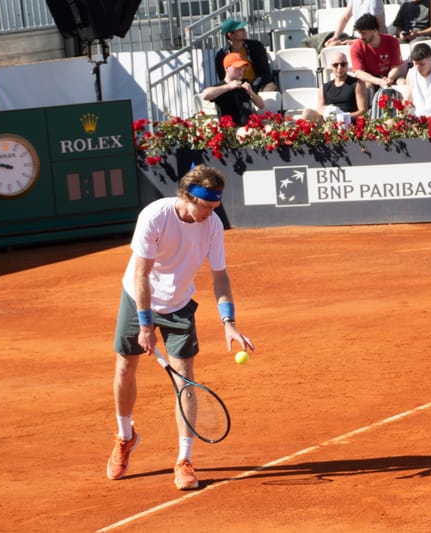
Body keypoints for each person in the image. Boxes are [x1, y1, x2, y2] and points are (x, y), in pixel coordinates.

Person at [106, 164, 255, 490]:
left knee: (185, 381)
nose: (212, 213)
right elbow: (141, 274)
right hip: (138, 298)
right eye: (206, 207)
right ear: (187, 196)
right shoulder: (154, 217)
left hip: (179, 305)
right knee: (125, 369)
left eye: (215, 207)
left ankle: (184, 460)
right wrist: (145, 324)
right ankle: (125, 436)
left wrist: (229, 323)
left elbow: (220, 276)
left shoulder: (212, 225)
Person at [302, 51, 369, 122]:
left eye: (343, 64)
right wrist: (328, 111)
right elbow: (320, 109)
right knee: (307, 113)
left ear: (347, 65)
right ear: (331, 67)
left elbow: (363, 111)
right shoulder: (324, 87)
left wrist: (342, 116)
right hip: (329, 122)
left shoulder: (357, 84)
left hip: (348, 122)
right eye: (335, 65)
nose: (339, 67)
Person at [201, 53, 265, 127]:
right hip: (231, 128)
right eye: (237, 68)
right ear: (226, 68)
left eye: (242, 68)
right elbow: (205, 95)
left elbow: (261, 105)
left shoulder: (245, 83)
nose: (241, 71)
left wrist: (251, 92)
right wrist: (228, 86)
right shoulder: (221, 86)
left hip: (249, 126)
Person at [350, 13, 411, 92]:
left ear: (375, 30)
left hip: (389, 77)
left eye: (364, 33)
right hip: (370, 79)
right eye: (360, 33)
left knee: (401, 82)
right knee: (367, 86)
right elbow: (359, 72)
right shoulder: (356, 46)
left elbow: (396, 67)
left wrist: (389, 78)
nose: (361, 37)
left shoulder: (392, 41)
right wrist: (378, 81)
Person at [215, 18, 277, 92]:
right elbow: (223, 77)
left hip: (260, 84)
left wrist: (255, 85)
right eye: (240, 29)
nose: (244, 30)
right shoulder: (222, 54)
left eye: (243, 28)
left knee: (271, 88)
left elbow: (265, 71)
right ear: (230, 35)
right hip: (237, 87)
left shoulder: (256, 46)